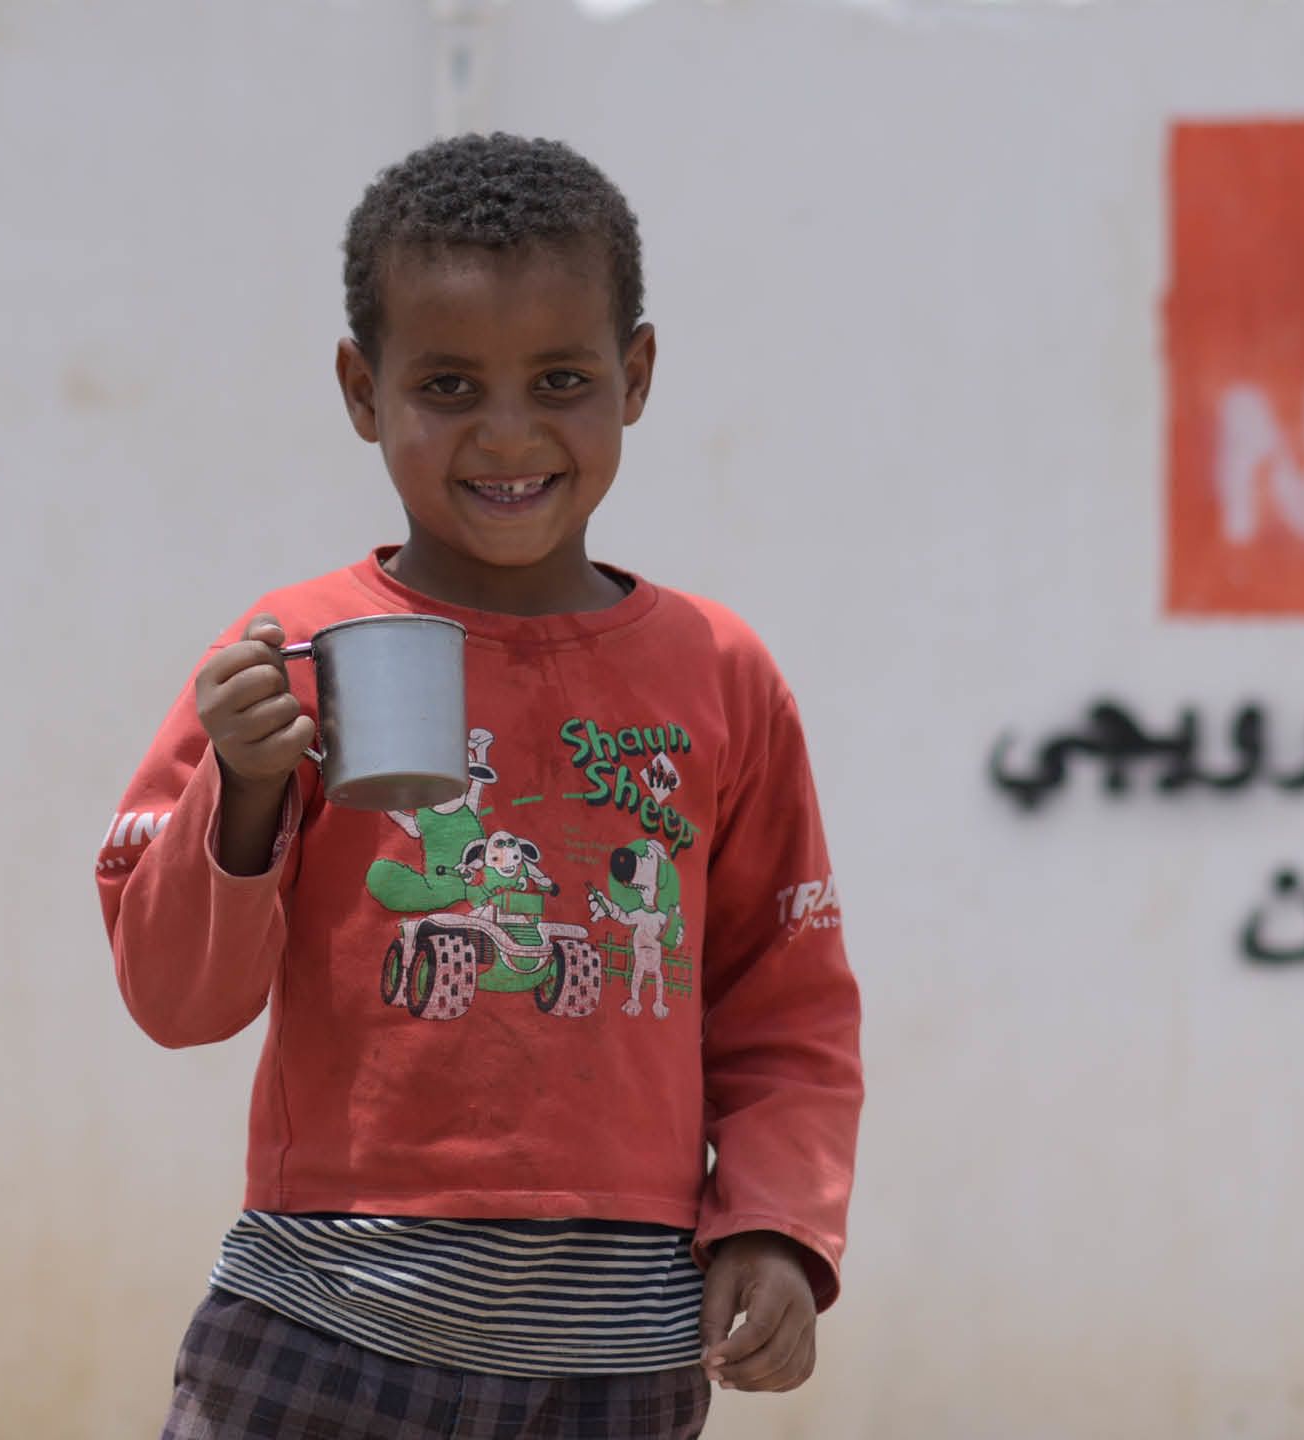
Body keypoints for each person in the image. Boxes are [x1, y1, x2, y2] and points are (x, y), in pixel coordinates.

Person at [99, 132, 862, 1439]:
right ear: (361, 387)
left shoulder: (719, 676)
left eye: (560, 379)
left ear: (635, 377)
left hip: (612, 1360)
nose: (507, 433)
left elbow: (783, 1006)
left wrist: (779, 1228)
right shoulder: (289, 659)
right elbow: (177, 1001)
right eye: (448, 384)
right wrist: (243, 793)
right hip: (323, 1323)